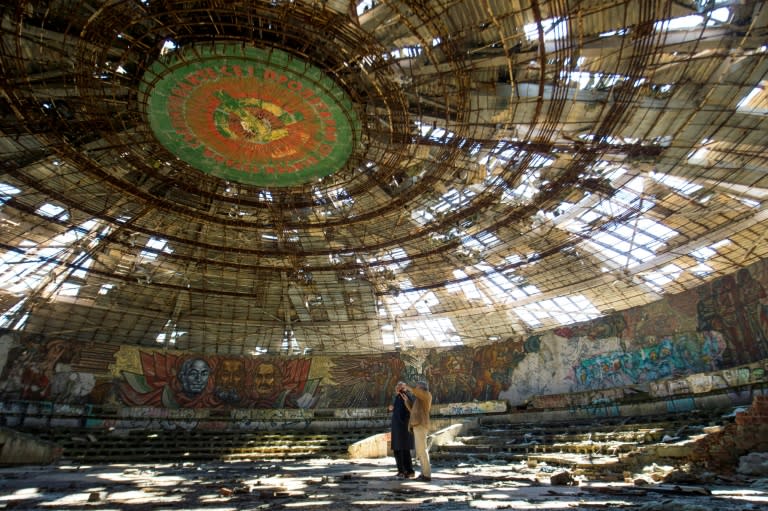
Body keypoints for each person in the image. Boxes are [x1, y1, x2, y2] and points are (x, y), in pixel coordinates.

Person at [402, 380, 433, 481]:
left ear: (422, 388)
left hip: (421, 425)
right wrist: (406, 401)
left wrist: (407, 386)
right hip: (417, 425)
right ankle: (424, 473)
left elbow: (416, 392)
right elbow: (412, 411)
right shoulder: (419, 400)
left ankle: (427, 475)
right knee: (420, 451)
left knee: (422, 451)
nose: (416, 389)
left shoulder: (427, 395)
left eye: (417, 387)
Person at [390, 381, 414, 479]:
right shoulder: (398, 397)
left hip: (403, 427)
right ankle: (401, 470)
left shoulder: (406, 396)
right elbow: (398, 409)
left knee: (404, 450)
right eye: (396, 386)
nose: (396, 388)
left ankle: (408, 471)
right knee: (397, 450)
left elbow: (410, 409)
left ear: (403, 387)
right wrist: (392, 408)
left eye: (398, 386)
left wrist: (403, 422)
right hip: (397, 427)